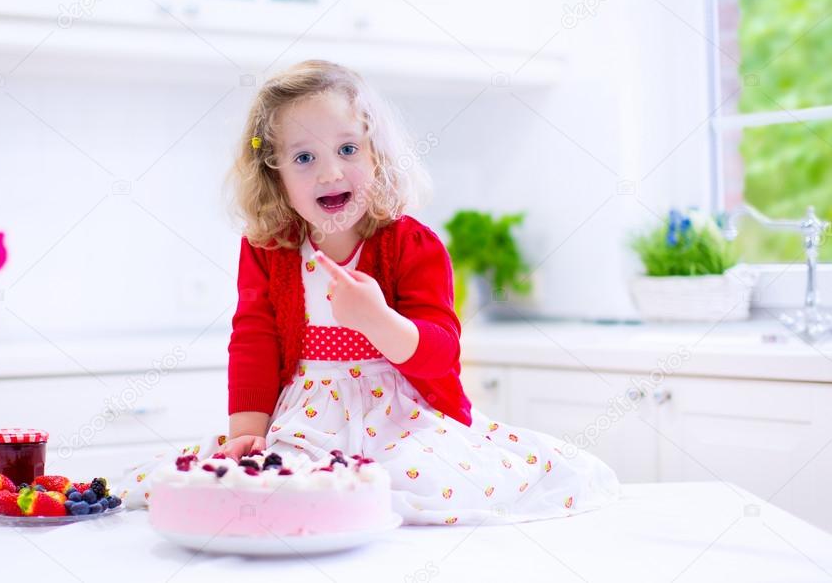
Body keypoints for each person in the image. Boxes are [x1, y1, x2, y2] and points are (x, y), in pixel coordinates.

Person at [118, 60, 620, 525]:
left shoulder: (411, 244)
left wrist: (376, 319)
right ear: (275, 174)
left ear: (377, 156)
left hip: (399, 415)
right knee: (271, 483)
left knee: (416, 480)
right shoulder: (270, 249)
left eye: (348, 149)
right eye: (304, 156)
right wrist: (245, 433)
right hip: (307, 418)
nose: (331, 171)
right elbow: (253, 338)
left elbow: (441, 353)